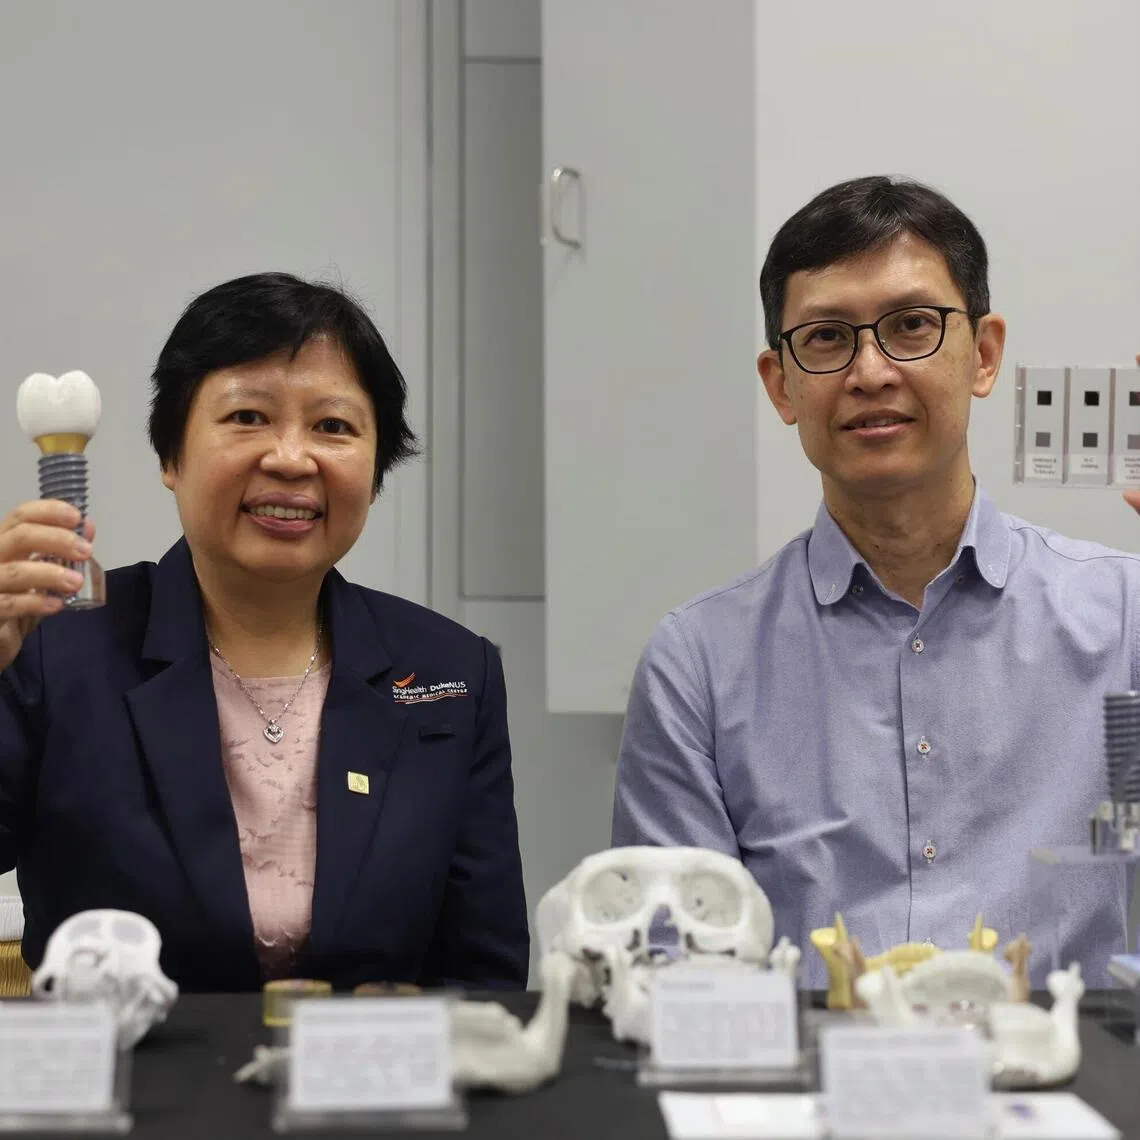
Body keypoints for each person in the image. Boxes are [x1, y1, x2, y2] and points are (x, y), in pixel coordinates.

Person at [612, 174, 1140, 984]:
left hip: (1073, 1090)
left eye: (912, 326)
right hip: (811, 1097)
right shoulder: (701, 662)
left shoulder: (1124, 617)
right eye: (826, 338)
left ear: (985, 354)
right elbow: (674, 969)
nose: (870, 370)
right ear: (781, 384)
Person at [0, 272, 529, 991]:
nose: (290, 457)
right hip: (123, 1082)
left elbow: (485, 974)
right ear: (170, 456)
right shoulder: (56, 646)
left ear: (375, 470)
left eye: (333, 426)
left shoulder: (449, 671)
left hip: (368, 1090)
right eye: (248, 417)